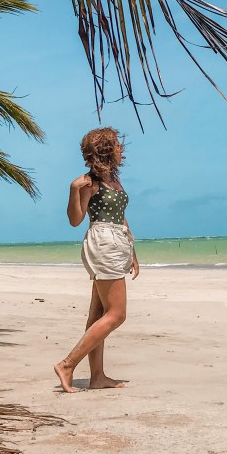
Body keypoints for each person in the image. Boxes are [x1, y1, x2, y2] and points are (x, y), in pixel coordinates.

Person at [54, 127, 139, 393]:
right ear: (106, 149)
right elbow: (75, 220)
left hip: (117, 241)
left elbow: (120, 217)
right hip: (103, 241)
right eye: (117, 144)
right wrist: (73, 190)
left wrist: (132, 252)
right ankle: (67, 364)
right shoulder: (89, 182)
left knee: (98, 314)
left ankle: (97, 377)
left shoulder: (113, 178)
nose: (121, 148)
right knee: (117, 314)